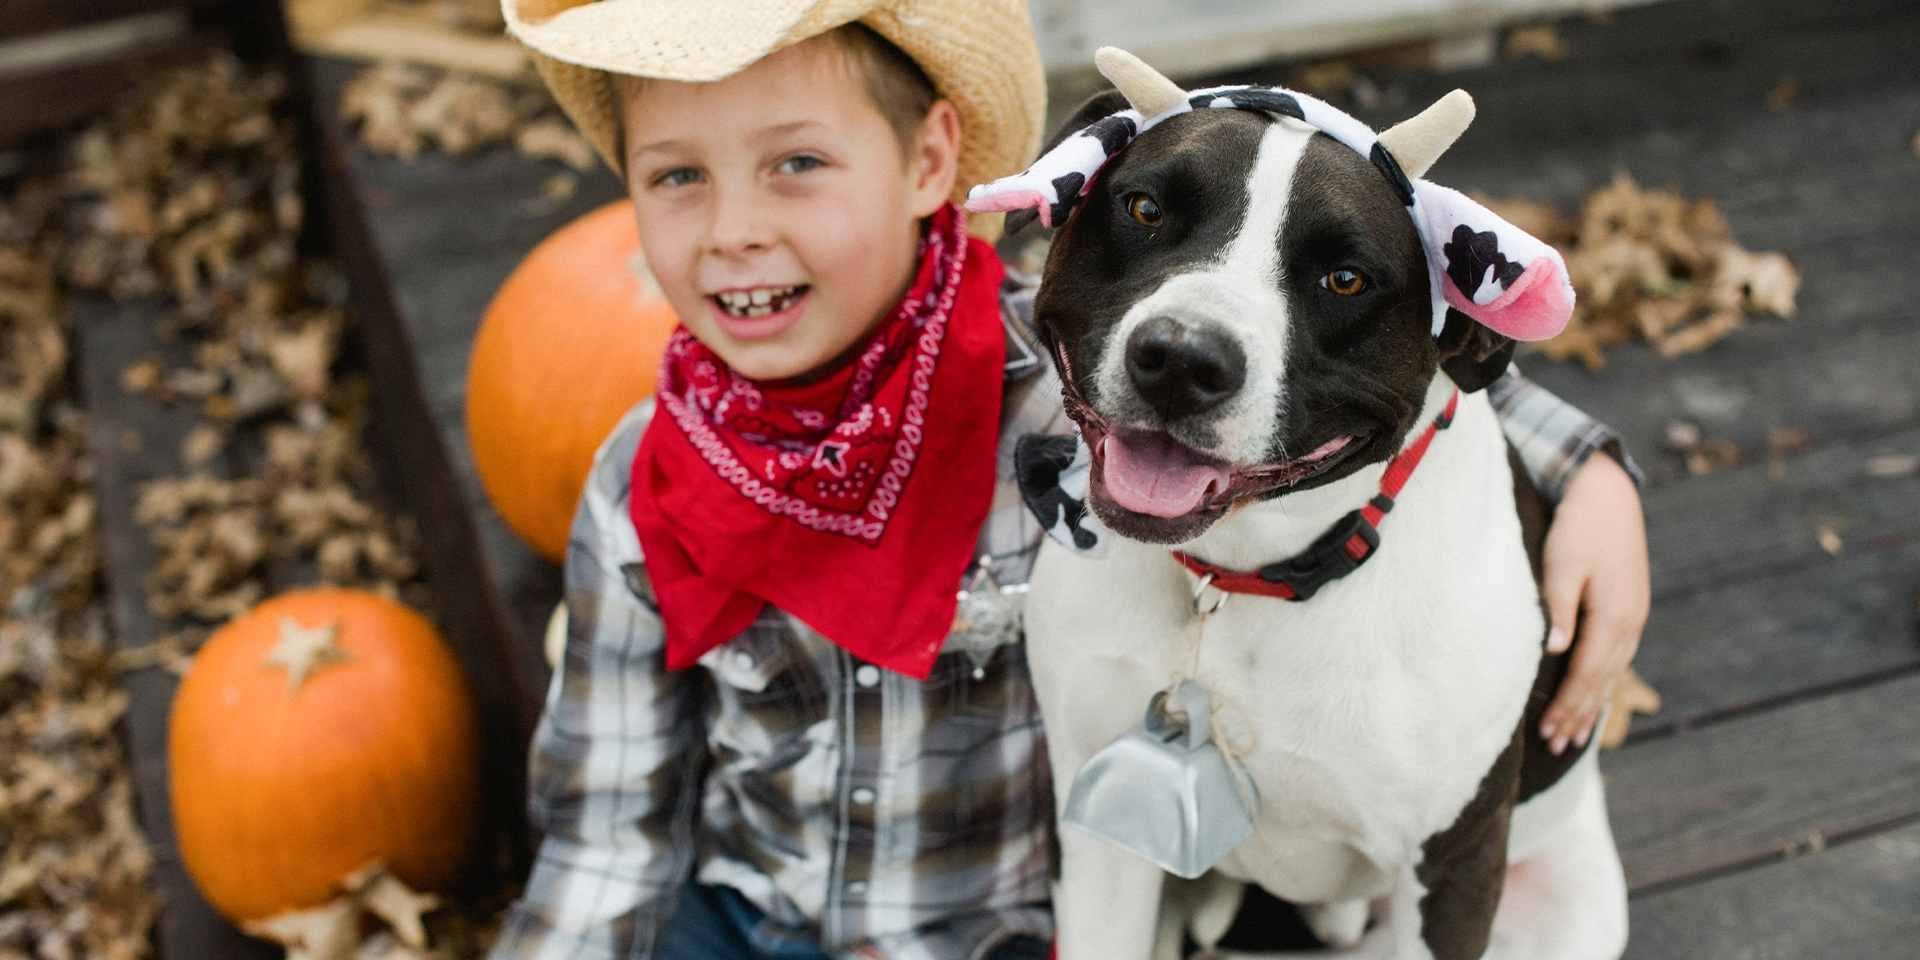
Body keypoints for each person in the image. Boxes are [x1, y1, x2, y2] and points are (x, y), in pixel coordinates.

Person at [489, 2, 1651, 957]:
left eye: (797, 163)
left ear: (930, 161)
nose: (735, 227)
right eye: (677, 176)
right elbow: (604, 834)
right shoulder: (643, 475)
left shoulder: (1019, 375)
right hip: (753, 913)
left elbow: (1409, 350)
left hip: (1000, 927)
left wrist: (1590, 468)